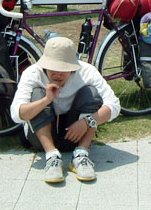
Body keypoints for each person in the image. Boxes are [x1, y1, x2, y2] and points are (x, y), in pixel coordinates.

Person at [10, 37, 120, 183]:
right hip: (39, 138)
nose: (57, 74)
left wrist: (88, 122)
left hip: (75, 134)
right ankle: (52, 157)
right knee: (37, 94)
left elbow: (114, 105)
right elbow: (16, 114)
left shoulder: (87, 71)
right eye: (53, 68)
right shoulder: (32, 73)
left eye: (63, 69)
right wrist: (46, 100)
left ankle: (81, 154)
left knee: (91, 92)